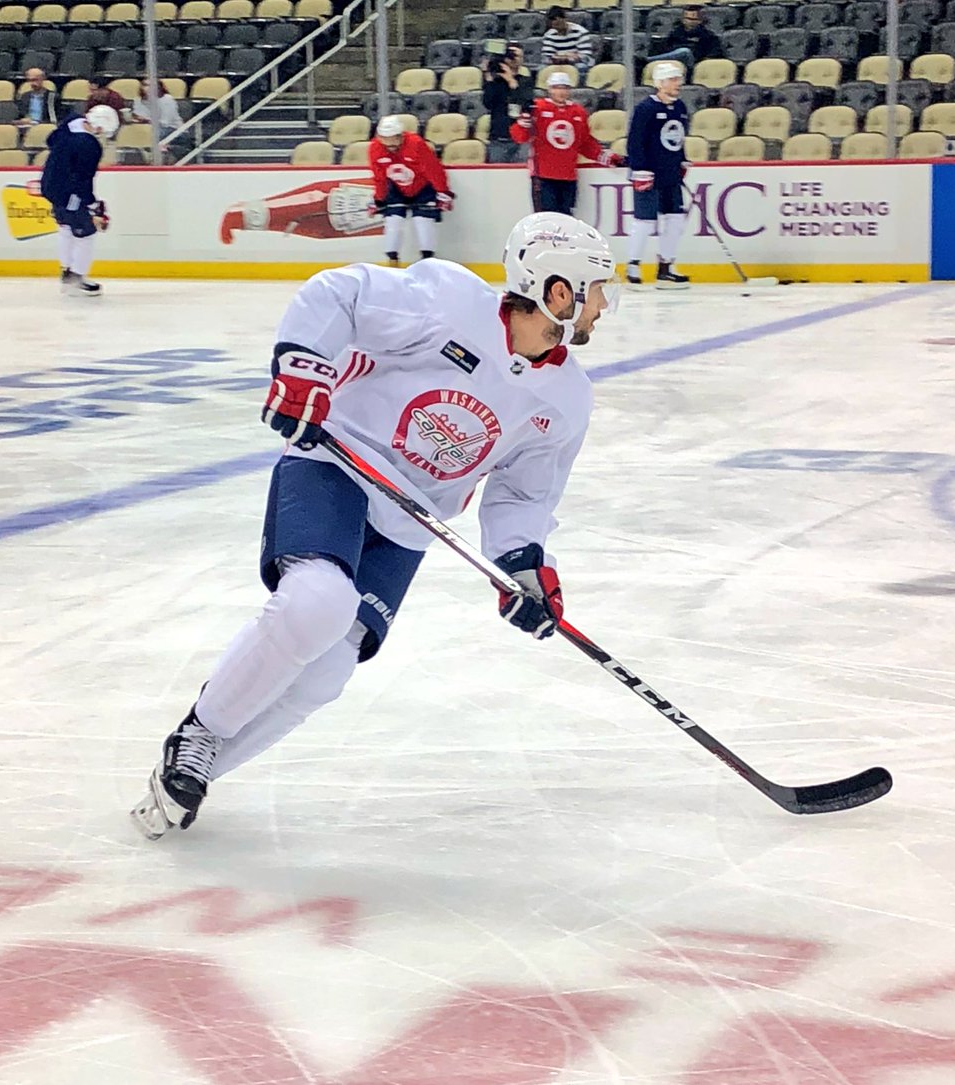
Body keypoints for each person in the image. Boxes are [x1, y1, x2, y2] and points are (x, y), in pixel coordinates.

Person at [129, 211, 620, 841]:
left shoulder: (567, 399)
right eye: (597, 287)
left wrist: (521, 561)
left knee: (330, 670)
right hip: (337, 461)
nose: (604, 303)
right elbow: (338, 294)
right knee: (316, 602)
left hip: (411, 518)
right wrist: (303, 367)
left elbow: (522, 494)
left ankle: (192, 775)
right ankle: (200, 732)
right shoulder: (448, 301)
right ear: (559, 291)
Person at [511, 72, 625, 217]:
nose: (561, 91)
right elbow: (520, 137)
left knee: (566, 219)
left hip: (568, 176)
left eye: (565, 87)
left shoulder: (578, 112)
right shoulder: (537, 108)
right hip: (543, 176)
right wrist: (523, 122)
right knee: (546, 218)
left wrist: (608, 158)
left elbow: (585, 143)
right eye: (557, 87)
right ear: (549, 89)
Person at [39, 105, 120, 297]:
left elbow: (50, 140)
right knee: (86, 233)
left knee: (66, 227)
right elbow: (84, 179)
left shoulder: (70, 125)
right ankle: (76, 278)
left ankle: (67, 272)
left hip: (50, 186)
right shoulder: (89, 145)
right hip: (69, 192)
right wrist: (93, 205)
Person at [625, 62, 691, 289]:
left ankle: (666, 269)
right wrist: (639, 169)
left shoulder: (680, 107)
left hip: (671, 174)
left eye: (678, 79)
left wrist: (682, 159)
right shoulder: (646, 109)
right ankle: (633, 267)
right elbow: (634, 142)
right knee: (644, 221)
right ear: (660, 83)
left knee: (675, 219)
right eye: (673, 80)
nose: (678, 84)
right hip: (648, 175)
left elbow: (679, 138)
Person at [367, 115, 455, 266]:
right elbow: (379, 177)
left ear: (400, 135)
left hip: (423, 187)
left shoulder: (416, 144)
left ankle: (428, 261)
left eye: (393, 139)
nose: (390, 145)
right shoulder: (375, 148)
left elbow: (433, 170)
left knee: (422, 220)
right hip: (395, 188)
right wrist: (379, 199)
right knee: (392, 221)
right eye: (385, 140)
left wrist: (443, 193)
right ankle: (392, 260)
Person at [482, 43, 533, 164]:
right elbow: (488, 103)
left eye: (517, 56)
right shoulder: (496, 82)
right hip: (498, 137)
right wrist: (488, 77)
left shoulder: (525, 81)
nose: (513, 59)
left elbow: (526, 104)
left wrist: (511, 81)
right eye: (511, 55)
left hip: (521, 138)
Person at [642, 5, 721, 79]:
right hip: (675, 62)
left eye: (694, 19)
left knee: (685, 52)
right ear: (683, 20)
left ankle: (646, 60)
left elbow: (714, 52)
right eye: (687, 18)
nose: (690, 21)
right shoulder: (675, 33)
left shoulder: (708, 35)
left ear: (700, 21)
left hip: (694, 62)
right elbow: (665, 48)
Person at [541, 7, 594, 77]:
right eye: (554, 26)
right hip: (557, 63)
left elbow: (586, 56)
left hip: (576, 63)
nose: (557, 28)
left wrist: (568, 58)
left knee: (581, 67)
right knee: (542, 68)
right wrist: (565, 57)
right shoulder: (549, 35)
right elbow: (547, 56)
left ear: (565, 19)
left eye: (558, 24)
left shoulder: (580, 32)